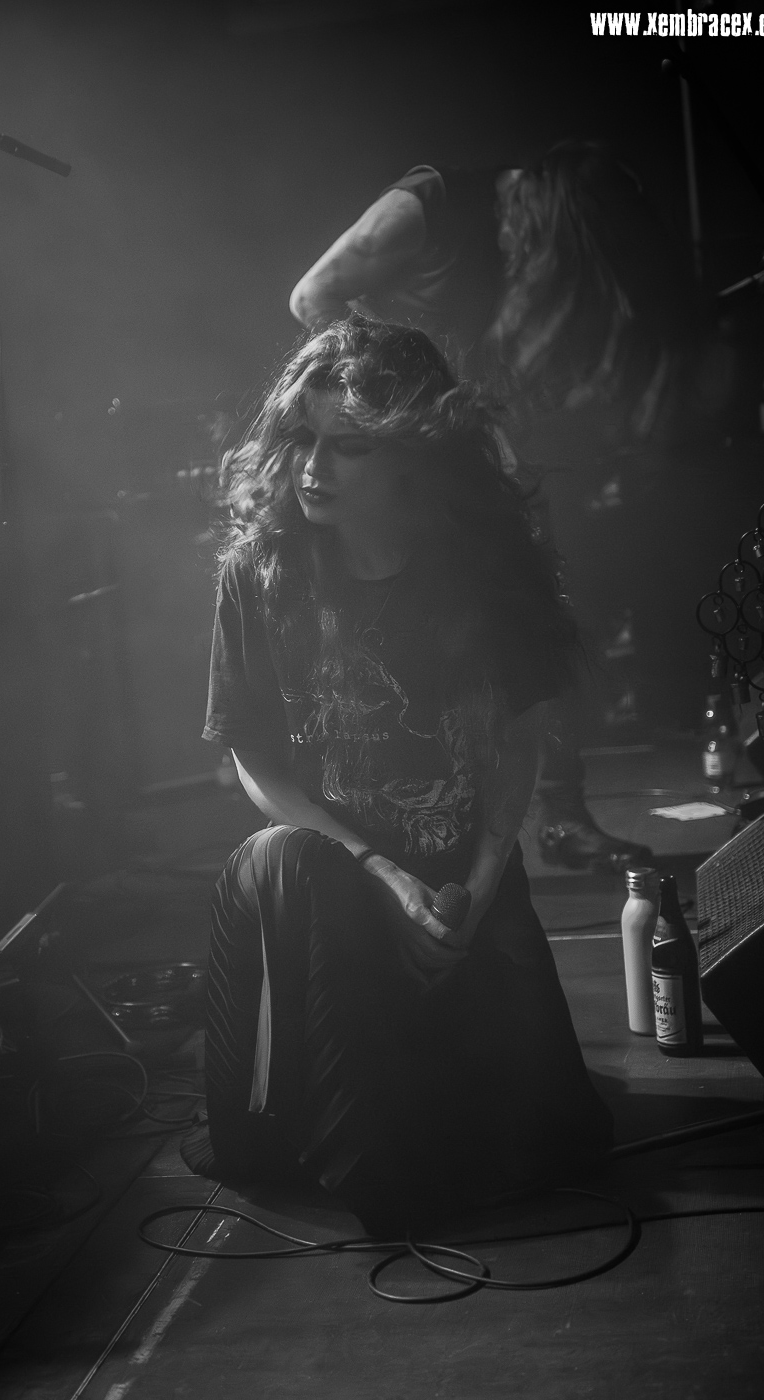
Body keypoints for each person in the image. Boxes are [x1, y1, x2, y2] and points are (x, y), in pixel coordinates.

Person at [185, 317, 613, 1238]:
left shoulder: (483, 569)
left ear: (416, 455)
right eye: (301, 436)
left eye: (349, 446)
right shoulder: (260, 571)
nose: (312, 467)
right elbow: (253, 757)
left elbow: (518, 739)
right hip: (330, 881)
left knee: (537, 1142)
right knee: (282, 859)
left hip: (456, 875)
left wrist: (478, 890)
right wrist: (375, 872)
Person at [288, 141, 700, 873]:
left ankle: (560, 817)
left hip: (466, 464)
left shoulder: (537, 252)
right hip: (383, 460)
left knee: (536, 619)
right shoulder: (428, 207)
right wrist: (404, 413)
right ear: (549, 214)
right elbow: (312, 298)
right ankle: (391, 830)